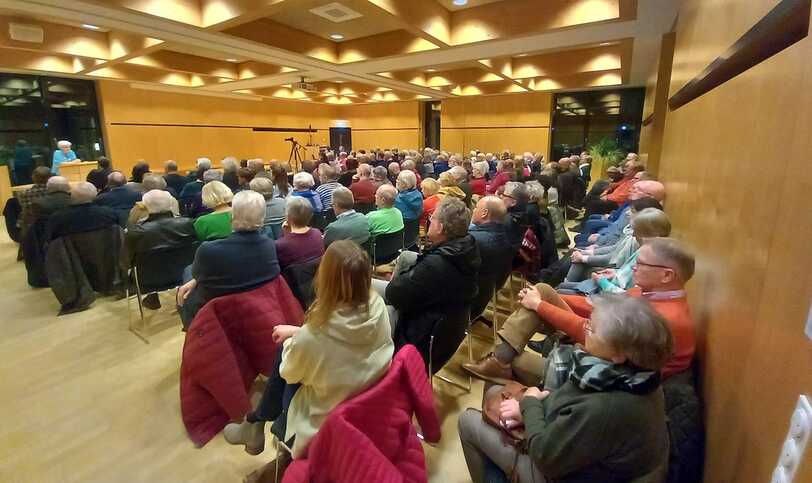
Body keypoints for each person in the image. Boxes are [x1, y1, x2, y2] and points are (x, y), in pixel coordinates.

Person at [223, 241, 394, 479]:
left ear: (325, 279)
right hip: (366, 394)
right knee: (288, 348)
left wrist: (298, 338)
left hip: (329, 415)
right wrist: (298, 333)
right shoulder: (378, 307)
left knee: (284, 355)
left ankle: (257, 423)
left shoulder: (314, 337)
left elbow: (289, 373)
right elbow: (337, 339)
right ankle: (255, 423)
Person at [459, 295, 672, 483]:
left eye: (592, 329)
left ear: (619, 355)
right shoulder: (638, 378)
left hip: (559, 471)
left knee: (467, 422)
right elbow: (570, 413)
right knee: (493, 392)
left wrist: (530, 404)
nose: (585, 328)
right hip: (579, 456)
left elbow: (546, 458)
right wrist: (534, 407)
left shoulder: (606, 407)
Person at [464, 237, 695, 385]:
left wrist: (540, 305)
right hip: (598, 346)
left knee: (515, 359)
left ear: (667, 275)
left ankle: (501, 361)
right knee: (543, 289)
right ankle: (500, 360)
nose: (633, 267)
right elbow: (596, 307)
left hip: (602, 370)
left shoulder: (667, 319)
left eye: (641, 263)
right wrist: (548, 297)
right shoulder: (647, 292)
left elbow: (596, 337)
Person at [375, 197, 480, 368]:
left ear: (440, 227)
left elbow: (394, 295)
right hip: (443, 318)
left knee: (372, 306)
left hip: (419, 330)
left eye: (432, 219)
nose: (429, 222)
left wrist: (401, 278)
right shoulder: (468, 246)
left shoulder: (436, 264)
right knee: (401, 261)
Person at [176, 190, 281, 326]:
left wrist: (195, 279)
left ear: (232, 215)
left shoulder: (208, 250)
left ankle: (191, 329)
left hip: (220, 314)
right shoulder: (270, 244)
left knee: (188, 273)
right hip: (261, 310)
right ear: (263, 217)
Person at [123, 190, 196, 310]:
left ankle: (152, 297)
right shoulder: (188, 224)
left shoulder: (135, 232)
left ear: (145, 206)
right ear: (171, 204)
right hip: (186, 275)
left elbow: (125, 261)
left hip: (148, 281)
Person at [468, 196, 513, 318]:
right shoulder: (505, 238)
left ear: (484, 213)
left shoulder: (471, 241)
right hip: (482, 300)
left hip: (461, 306)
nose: (473, 210)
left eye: (476, 207)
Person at [46, 182, 118, 240]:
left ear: (71, 196)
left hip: (69, 256)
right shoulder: (109, 214)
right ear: (95, 195)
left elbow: (50, 242)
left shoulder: (58, 218)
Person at [275, 197, 325, 269]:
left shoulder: (279, 245)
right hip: (317, 276)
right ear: (310, 216)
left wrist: (284, 235)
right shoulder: (317, 233)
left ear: (287, 216)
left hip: (292, 279)